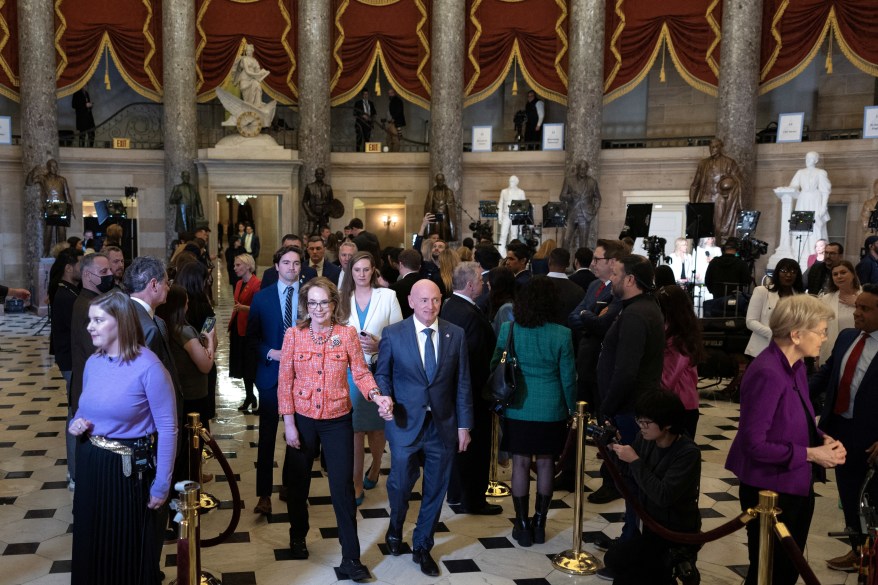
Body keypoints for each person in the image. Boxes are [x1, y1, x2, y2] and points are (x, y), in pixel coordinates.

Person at [275, 277, 393, 576]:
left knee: (342, 487)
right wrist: (289, 424)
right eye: (312, 302)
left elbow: (362, 373)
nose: (318, 308)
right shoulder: (293, 335)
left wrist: (378, 396)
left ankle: (351, 557)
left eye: (323, 302)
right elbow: (285, 382)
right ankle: (298, 534)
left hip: (338, 419)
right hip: (302, 419)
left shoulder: (347, 334)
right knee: (298, 483)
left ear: (333, 304)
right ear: (305, 305)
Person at [726, 294, 845, 585]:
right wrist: (813, 454)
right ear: (796, 334)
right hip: (769, 491)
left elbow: (799, 416)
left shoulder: (797, 366)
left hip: (794, 483)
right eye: (820, 331)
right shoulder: (767, 372)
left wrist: (823, 439)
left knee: (787, 568)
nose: (824, 338)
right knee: (770, 572)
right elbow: (753, 444)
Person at [68, 290, 177, 585]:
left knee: (124, 550)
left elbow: (168, 428)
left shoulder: (149, 367)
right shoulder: (94, 362)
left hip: (127, 472)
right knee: (91, 542)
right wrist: (77, 424)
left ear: (120, 322)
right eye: (90, 320)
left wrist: (162, 484)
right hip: (92, 466)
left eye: (98, 320)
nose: (90, 326)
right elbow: (84, 410)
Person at [374, 279, 474, 577]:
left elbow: (463, 382)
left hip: (442, 426)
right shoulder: (394, 334)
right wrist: (385, 397)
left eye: (436, 300)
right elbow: (383, 375)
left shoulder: (455, 334)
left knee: (436, 489)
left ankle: (422, 546)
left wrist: (465, 425)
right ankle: (395, 527)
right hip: (404, 422)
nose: (431, 306)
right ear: (411, 302)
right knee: (401, 483)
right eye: (424, 300)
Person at [493, 276, 576, 546]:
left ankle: (522, 523)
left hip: (518, 407)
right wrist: (573, 409)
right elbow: (568, 378)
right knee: (545, 464)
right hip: (552, 409)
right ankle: (540, 523)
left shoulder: (509, 329)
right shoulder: (562, 334)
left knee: (519, 463)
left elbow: (496, 363)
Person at [597, 255, 665, 544]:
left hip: (629, 408)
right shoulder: (640, 308)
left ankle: (631, 543)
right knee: (630, 478)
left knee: (633, 479)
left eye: (615, 275)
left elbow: (626, 372)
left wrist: (607, 408)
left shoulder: (637, 314)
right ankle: (629, 536)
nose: (610, 280)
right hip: (633, 405)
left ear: (630, 280)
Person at [811, 284, 878, 572]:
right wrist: (793, 393)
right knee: (848, 495)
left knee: (872, 500)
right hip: (841, 429)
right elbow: (827, 372)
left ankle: (873, 556)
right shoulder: (847, 337)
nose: (857, 313)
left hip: (873, 437)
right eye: (856, 307)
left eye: (865, 309)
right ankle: (857, 551)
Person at [602, 391, 702, 584]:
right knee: (615, 561)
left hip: (674, 531)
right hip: (649, 525)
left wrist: (635, 460)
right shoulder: (646, 439)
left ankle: (675, 567)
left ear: (667, 424)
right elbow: (629, 473)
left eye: (646, 423)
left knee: (627, 575)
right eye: (639, 420)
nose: (641, 427)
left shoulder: (688, 453)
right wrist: (614, 448)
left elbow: (663, 495)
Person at [338, 251, 403, 504]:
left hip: (379, 370)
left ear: (373, 270)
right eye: (357, 270)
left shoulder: (387, 296)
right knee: (354, 429)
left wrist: (379, 346)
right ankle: (356, 483)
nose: (362, 275)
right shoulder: (342, 299)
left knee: (376, 429)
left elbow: (399, 333)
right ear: (350, 273)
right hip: (349, 371)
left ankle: (375, 467)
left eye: (366, 270)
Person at [441, 262, 502, 516]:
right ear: (469, 285)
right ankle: (473, 500)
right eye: (480, 280)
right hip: (473, 394)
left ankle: (456, 494)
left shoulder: (449, 305)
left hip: (454, 392)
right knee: (474, 449)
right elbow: (476, 361)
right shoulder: (469, 315)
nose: (484, 284)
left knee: (460, 447)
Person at [247, 245, 302, 516]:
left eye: (296, 263)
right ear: (277, 267)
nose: (292, 267)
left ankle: (290, 486)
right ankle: (264, 495)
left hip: (302, 377)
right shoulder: (262, 298)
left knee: (297, 435)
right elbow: (252, 339)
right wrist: (271, 352)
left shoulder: (309, 298)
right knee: (267, 436)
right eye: (287, 263)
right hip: (270, 375)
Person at [69, 253, 115, 489]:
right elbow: (101, 351)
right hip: (93, 391)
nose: (111, 275)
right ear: (88, 275)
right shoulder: (88, 307)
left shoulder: (93, 302)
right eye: (104, 272)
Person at [156, 284, 217, 446]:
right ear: (179, 305)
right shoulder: (184, 331)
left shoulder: (163, 326)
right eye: (187, 302)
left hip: (177, 394)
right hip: (194, 395)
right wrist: (209, 340)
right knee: (194, 444)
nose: (188, 306)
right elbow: (205, 365)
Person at [48, 248, 82, 487]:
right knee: (74, 412)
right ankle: (74, 472)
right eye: (79, 265)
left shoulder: (70, 291)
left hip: (70, 358)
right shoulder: (65, 295)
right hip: (70, 360)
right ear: (69, 268)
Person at [655, 285, 705, 438]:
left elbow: (668, 378)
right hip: (680, 403)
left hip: (680, 405)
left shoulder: (678, 338)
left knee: (677, 457)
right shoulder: (681, 331)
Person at [745, 258, 804, 358]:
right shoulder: (762, 291)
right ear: (777, 273)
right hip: (763, 349)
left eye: (793, 272)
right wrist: (774, 334)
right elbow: (750, 322)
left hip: (791, 351)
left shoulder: (801, 297)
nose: (788, 275)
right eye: (784, 271)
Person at [688, 138, 743, 242]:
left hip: (720, 199)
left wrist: (729, 182)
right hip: (705, 198)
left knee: (719, 227)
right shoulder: (703, 164)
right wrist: (693, 205)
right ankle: (701, 251)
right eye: (711, 147)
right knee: (702, 228)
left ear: (720, 147)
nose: (713, 149)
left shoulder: (729, 162)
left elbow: (739, 180)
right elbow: (695, 185)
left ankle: (719, 250)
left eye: (716, 147)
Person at [229, 253, 261, 411]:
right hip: (238, 328)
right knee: (241, 365)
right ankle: (249, 396)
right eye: (234, 265)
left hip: (249, 329)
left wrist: (244, 308)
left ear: (248, 266)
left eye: (238, 265)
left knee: (250, 366)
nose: (235, 268)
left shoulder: (256, 284)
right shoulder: (239, 283)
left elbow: (259, 308)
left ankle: (260, 397)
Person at [26, 158, 74, 257]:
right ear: (48, 167)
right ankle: (46, 252)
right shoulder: (43, 178)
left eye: (56, 166)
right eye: (52, 166)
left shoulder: (62, 179)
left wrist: (71, 209)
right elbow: (29, 182)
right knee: (48, 231)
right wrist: (32, 172)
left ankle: (64, 252)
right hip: (50, 206)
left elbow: (67, 195)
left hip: (61, 206)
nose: (54, 168)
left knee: (61, 231)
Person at [819, 260, 862, 367]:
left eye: (843, 272)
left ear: (852, 274)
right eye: (835, 274)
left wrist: (858, 303)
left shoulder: (865, 296)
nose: (839, 276)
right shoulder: (826, 299)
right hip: (831, 351)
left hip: (858, 350)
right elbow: (821, 329)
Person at [790, 151, 832, 255]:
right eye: (807, 158)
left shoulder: (820, 172)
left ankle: (815, 252)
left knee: (816, 225)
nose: (808, 161)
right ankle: (800, 252)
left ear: (816, 160)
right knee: (800, 225)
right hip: (802, 199)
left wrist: (823, 207)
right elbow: (793, 186)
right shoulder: (800, 172)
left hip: (815, 200)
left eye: (811, 158)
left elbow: (825, 191)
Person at [561, 161, 602, 251]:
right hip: (572, 215)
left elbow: (598, 198)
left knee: (583, 244)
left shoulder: (592, 182)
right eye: (581, 169)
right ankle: (563, 261)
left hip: (585, 215)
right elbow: (562, 196)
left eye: (585, 169)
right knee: (565, 240)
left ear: (587, 169)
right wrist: (570, 196)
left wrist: (593, 211)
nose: (583, 171)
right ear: (577, 169)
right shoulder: (569, 180)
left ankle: (581, 263)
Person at [546, 247, 585, 329]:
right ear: (568, 264)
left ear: (549, 262)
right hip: (567, 336)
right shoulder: (578, 291)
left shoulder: (534, 285)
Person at [233, 43, 269, 107]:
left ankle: (258, 104)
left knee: (257, 85)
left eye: (249, 50)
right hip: (245, 79)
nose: (247, 52)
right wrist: (258, 74)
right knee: (247, 101)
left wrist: (263, 73)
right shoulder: (244, 59)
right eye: (246, 50)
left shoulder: (255, 60)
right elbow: (247, 71)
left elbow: (258, 70)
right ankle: (249, 107)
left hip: (252, 79)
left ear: (252, 51)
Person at [423, 173, 458, 241]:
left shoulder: (449, 192)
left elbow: (452, 207)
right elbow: (428, 206)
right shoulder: (431, 192)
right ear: (436, 180)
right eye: (438, 180)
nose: (440, 181)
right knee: (435, 234)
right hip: (435, 217)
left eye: (441, 180)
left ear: (444, 180)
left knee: (444, 235)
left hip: (445, 217)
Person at [498, 176, 527, 255]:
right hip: (506, 214)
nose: (511, 182)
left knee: (514, 235)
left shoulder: (521, 192)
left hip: (516, 216)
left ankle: (512, 253)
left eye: (513, 181)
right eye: (510, 181)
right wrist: (499, 216)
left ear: (517, 182)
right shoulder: (504, 191)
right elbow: (500, 204)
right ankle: (501, 254)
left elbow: (524, 206)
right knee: (503, 234)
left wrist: (522, 219)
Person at [170, 171, 205, 236]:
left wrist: (201, 215)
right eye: (185, 176)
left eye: (188, 176)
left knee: (192, 230)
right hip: (182, 210)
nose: (187, 178)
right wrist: (176, 197)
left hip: (192, 210)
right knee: (183, 231)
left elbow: (199, 202)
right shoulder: (177, 187)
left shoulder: (193, 188)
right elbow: (171, 200)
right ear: (182, 177)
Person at [389, 249, 422, 319]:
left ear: (400, 264)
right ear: (419, 266)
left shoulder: (394, 289)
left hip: (402, 327)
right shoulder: (430, 284)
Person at [302, 168, 335, 237]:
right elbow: (304, 202)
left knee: (324, 235)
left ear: (323, 175)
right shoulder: (310, 187)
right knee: (310, 234)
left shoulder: (328, 188)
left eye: (321, 174)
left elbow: (331, 202)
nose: (319, 175)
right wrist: (310, 214)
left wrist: (327, 211)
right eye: (318, 174)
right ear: (315, 175)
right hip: (313, 215)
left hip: (324, 215)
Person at [487, 266, 516, 335]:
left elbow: (509, 336)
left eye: (490, 280)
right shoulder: (500, 304)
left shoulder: (507, 308)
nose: (487, 283)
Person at [385, 88, 406, 152]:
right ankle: (390, 153)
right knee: (389, 139)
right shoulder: (393, 101)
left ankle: (395, 154)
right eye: (389, 93)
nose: (390, 95)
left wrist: (393, 118)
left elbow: (399, 111)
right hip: (391, 123)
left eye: (391, 93)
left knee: (395, 139)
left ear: (394, 93)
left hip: (395, 123)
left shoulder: (397, 101)